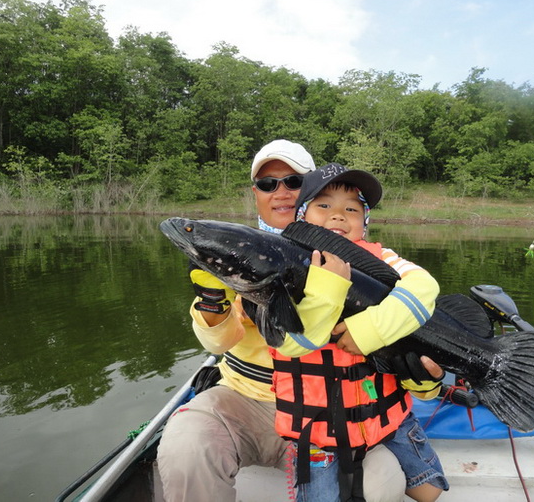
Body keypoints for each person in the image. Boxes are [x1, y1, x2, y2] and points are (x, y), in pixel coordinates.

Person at [157, 140, 410, 502]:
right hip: (247, 399)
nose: (280, 192)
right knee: (187, 444)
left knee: (382, 485)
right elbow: (216, 343)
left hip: (330, 408)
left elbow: (405, 295)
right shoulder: (235, 245)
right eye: (267, 184)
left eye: (293, 182)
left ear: (311, 189)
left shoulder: (351, 250)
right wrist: (213, 299)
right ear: (256, 194)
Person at [269, 163, 450, 502]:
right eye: (324, 205)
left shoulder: (385, 259)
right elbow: (289, 341)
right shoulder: (285, 262)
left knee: (431, 492)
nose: (338, 216)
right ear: (301, 216)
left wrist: (367, 331)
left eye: (351, 209)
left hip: (387, 418)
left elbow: (424, 286)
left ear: (364, 222)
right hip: (317, 430)